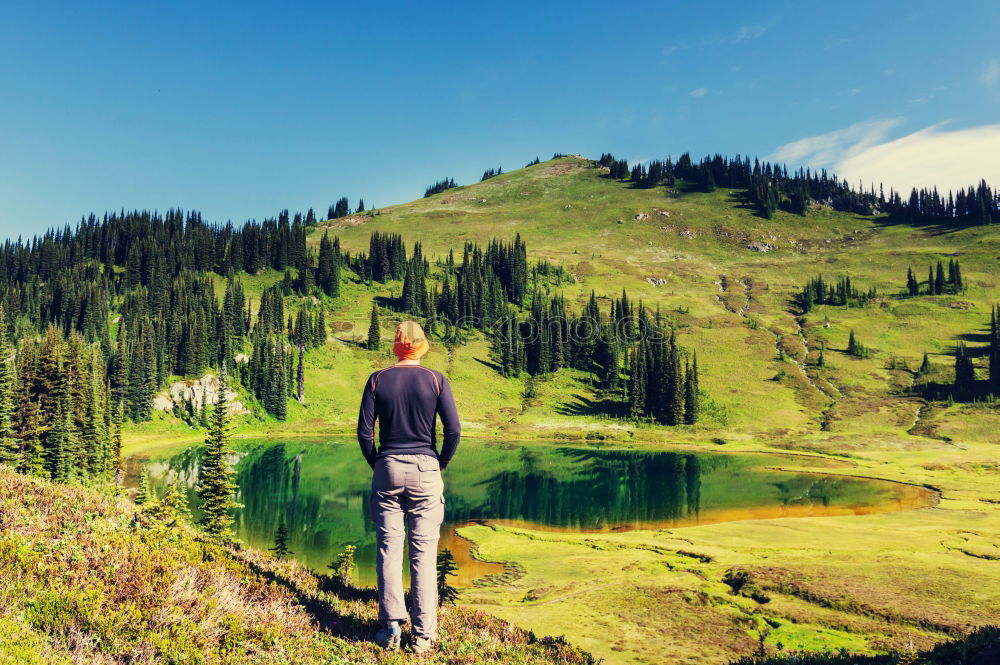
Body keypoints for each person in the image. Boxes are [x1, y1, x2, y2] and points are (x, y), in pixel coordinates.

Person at [357, 320, 461, 653]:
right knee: (424, 552)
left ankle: (390, 629)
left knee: (389, 547)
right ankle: (422, 635)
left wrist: (378, 462)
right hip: (426, 468)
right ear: (422, 346)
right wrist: (439, 462)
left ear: (396, 345)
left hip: (387, 467)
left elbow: (364, 433)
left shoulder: (377, 380)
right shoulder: (436, 379)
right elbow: (454, 431)